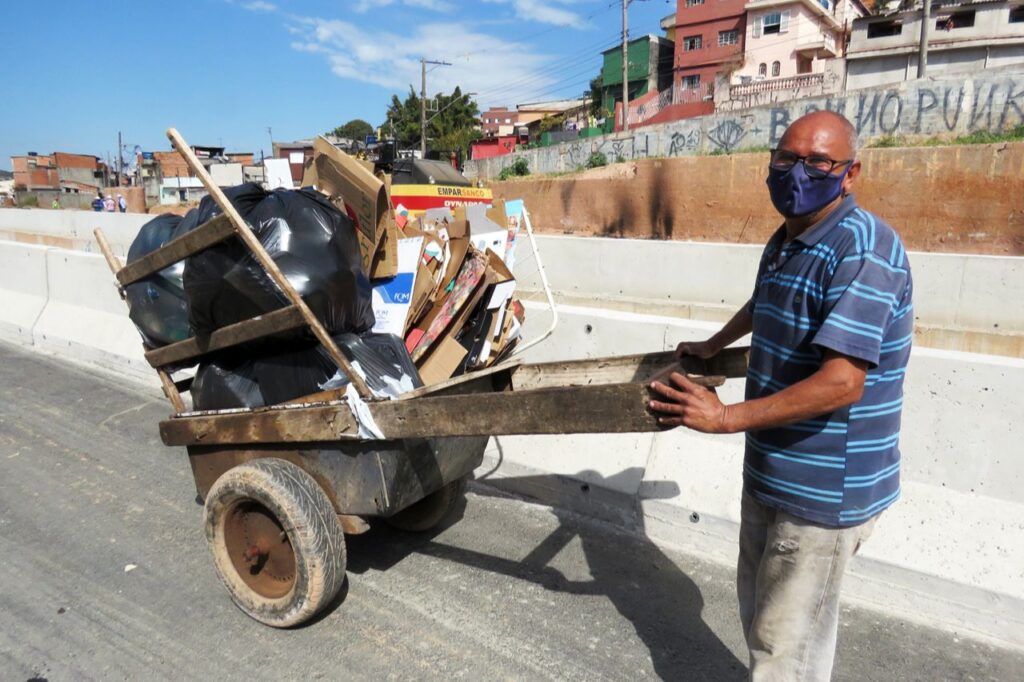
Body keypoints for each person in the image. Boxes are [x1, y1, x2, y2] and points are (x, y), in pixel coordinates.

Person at [649, 110, 913, 681]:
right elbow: (764, 301)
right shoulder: (787, 238)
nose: (798, 172)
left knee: (785, 649)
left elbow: (844, 381)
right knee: (763, 621)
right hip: (771, 471)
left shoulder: (864, 248)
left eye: (818, 161)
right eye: (785, 159)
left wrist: (724, 418)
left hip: (823, 492)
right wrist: (714, 343)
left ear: (850, 173)